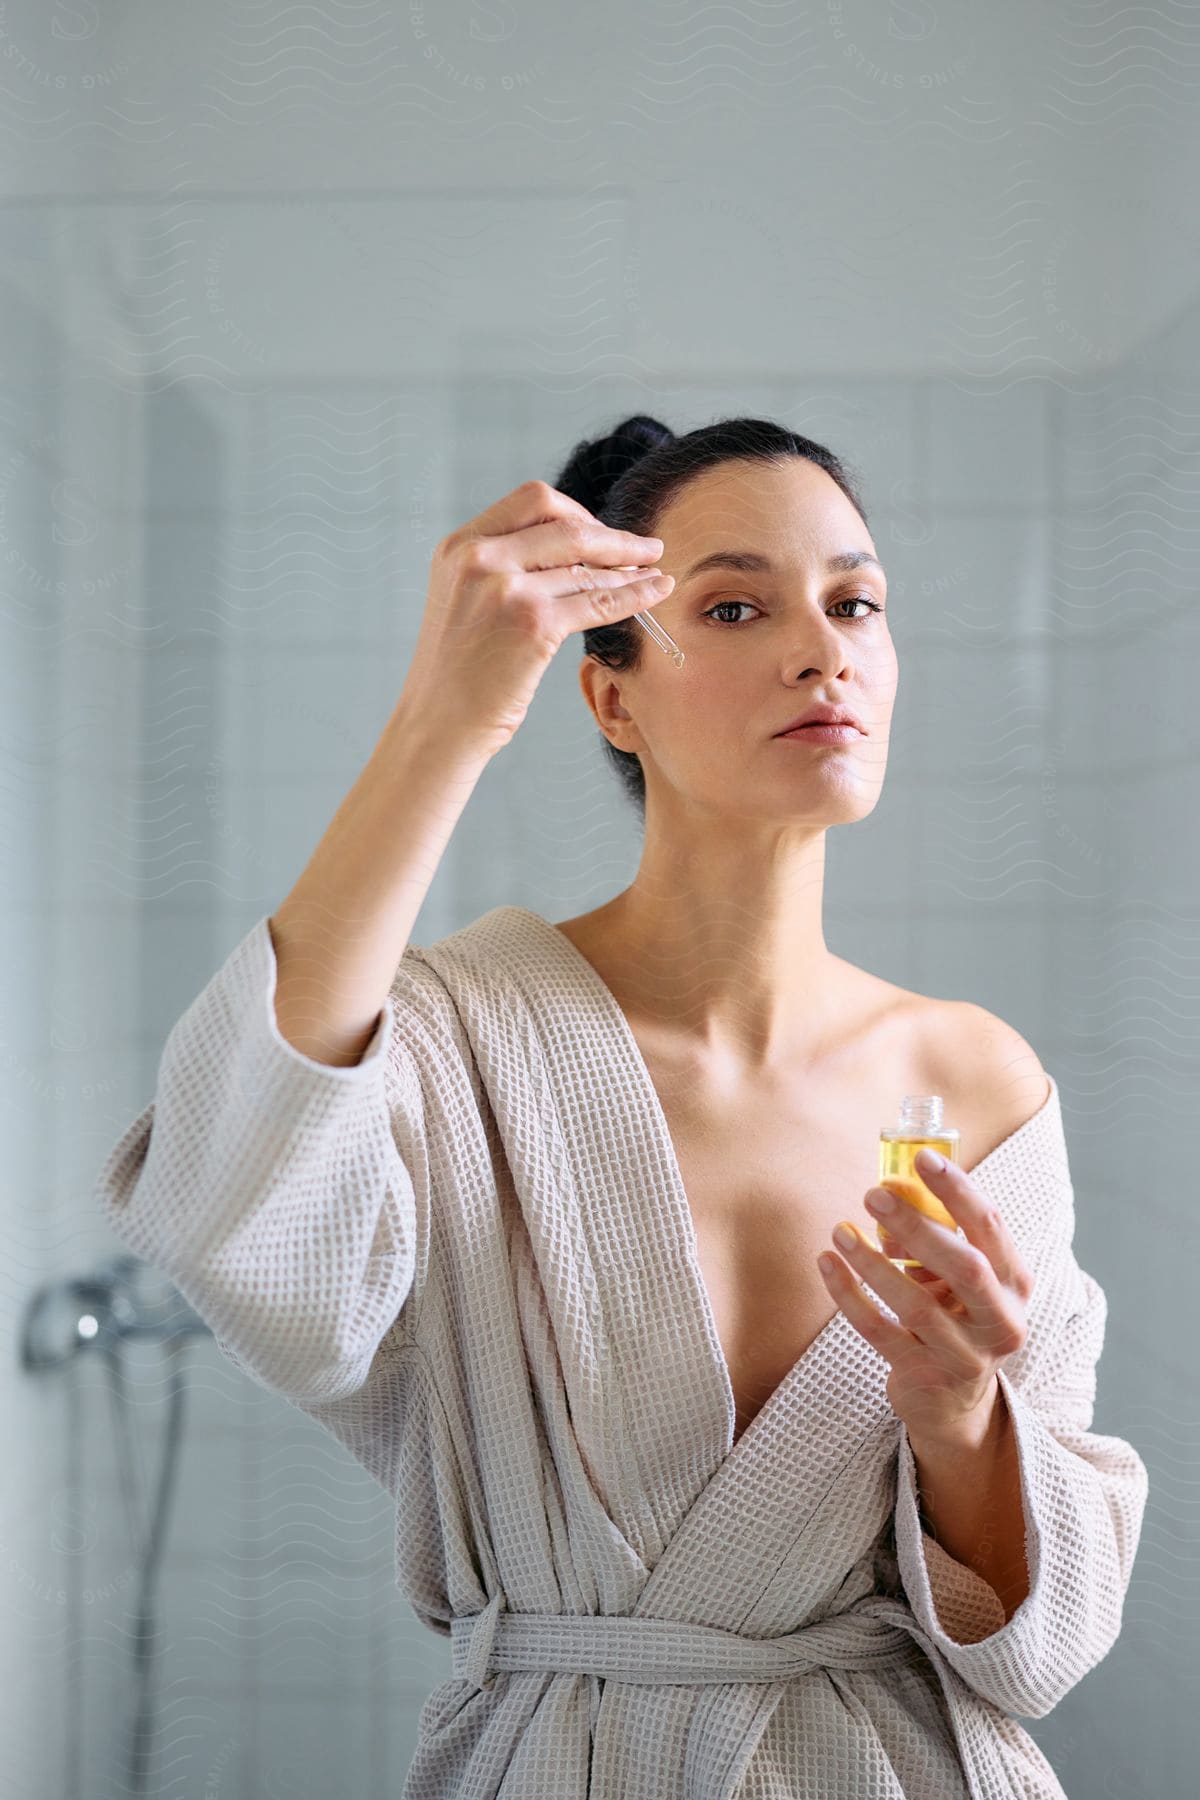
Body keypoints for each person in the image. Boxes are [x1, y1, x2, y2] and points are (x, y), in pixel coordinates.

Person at [94, 415, 1148, 1799]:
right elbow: (242, 1232)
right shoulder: (456, 1037)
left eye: (856, 603)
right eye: (732, 605)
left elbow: (1047, 1649)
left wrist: (963, 1421)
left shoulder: (974, 1084)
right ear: (611, 698)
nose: (823, 649)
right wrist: (444, 723)